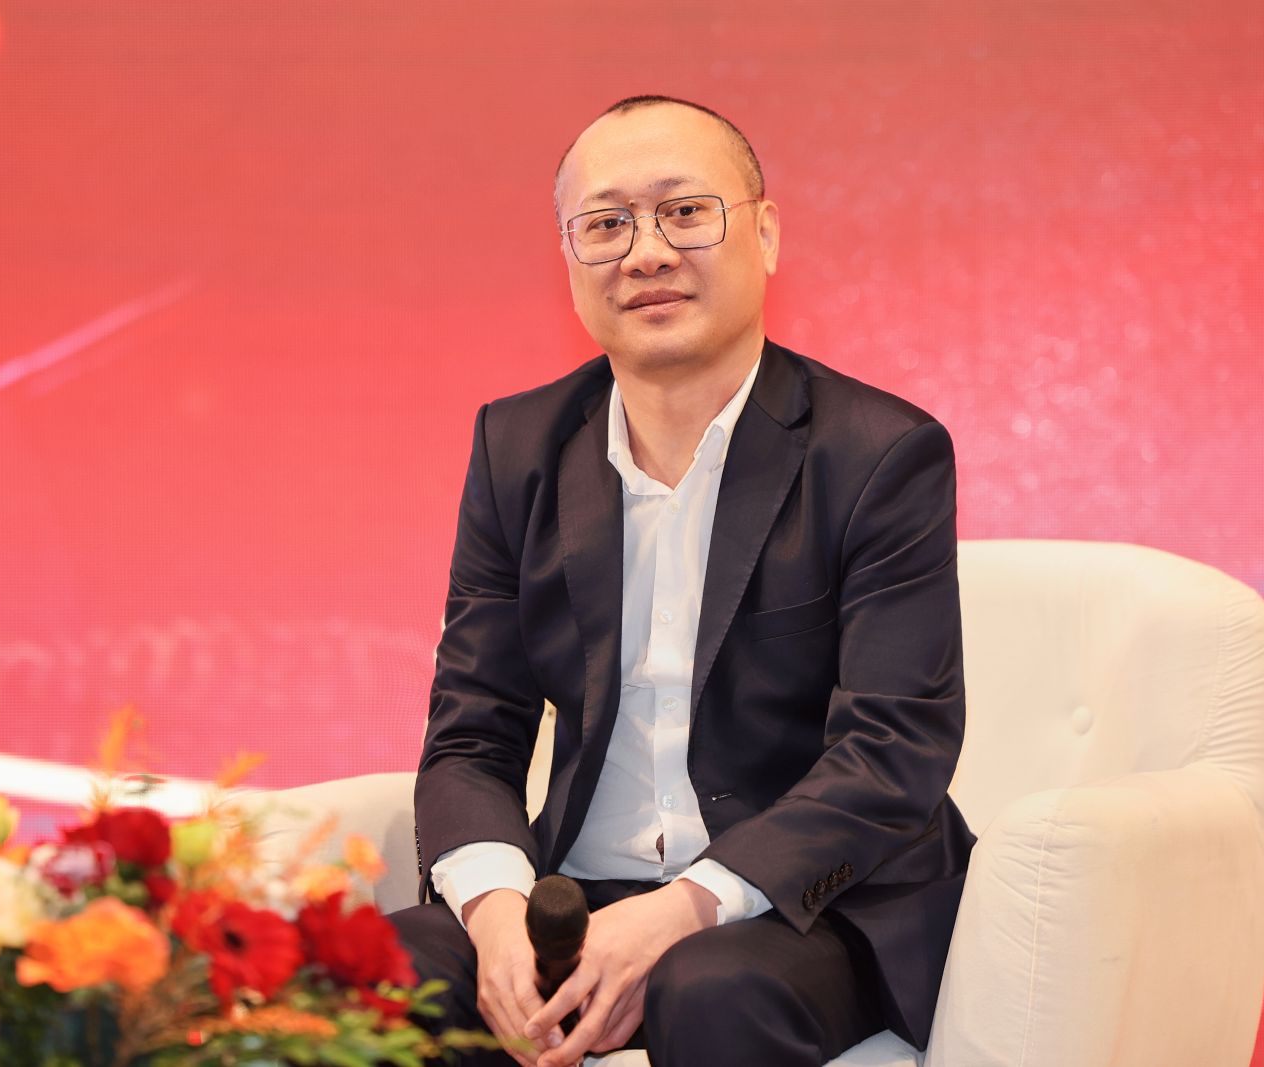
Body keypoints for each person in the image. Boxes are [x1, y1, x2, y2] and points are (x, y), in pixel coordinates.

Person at [389, 95, 976, 1067]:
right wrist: (495, 912)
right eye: (606, 225)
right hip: (577, 887)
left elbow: (893, 748)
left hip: (802, 902)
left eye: (685, 212)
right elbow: (471, 735)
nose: (646, 253)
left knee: (708, 987)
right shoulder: (517, 447)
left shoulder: (880, 452)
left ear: (765, 233)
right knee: (386, 968)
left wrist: (684, 908)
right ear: (569, 258)